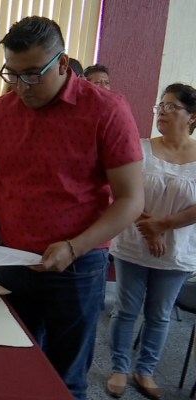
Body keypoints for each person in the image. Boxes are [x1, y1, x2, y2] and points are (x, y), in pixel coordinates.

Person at [0, 16, 143, 399]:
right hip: (11, 257)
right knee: (11, 361)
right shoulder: (1, 112)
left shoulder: (106, 109)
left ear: (62, 63)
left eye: (32, 75)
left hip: (77, 265)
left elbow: (130, 199)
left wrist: (74, 247)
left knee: (65, 378)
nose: (22, 86)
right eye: (12, 74)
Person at [106, 83, 196, 400]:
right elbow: (122, 191)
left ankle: (145, 371)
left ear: (192, 116)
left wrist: (165, 225)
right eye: (161, 106)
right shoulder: (140, 148)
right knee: (126, 310)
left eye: (172, 107)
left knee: (159, 314)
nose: (162, 112)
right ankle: (119, 368)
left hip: (176, 251)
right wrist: (151, 229)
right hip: (134, 243)